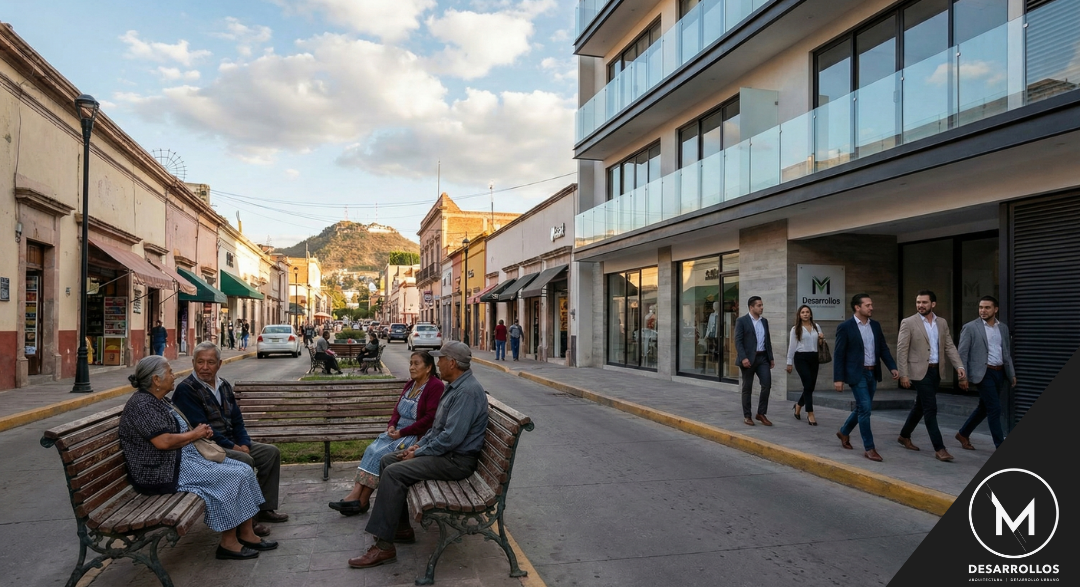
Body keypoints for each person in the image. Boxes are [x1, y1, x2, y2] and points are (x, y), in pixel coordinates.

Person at [119, 355, 276, 560]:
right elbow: (163, 442)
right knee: (231, 477)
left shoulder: (159, 400)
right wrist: (195, 434)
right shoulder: (142, 405)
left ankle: (247, 533)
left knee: (244, 470)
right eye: (169, 372)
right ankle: (228, 543)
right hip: (161, 471)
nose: (173, 375)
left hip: (180, 461)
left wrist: (198, 432)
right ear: (156, 380)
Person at [348, 341, 489, 570]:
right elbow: (437, 429)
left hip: (456, 461)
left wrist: (419, 452)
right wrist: (418, 447)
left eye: (441, 359)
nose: (438, 363)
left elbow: (450, 439)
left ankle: (384, 547)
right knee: (387, 460)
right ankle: (401, 528)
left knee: (394, 473)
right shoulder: (454, 386)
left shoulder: (466, 392)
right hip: (445, 454)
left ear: (452, 363)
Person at [173, 342, 289, 534]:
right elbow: (203, 428)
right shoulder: (186, 390)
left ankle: (265, 508)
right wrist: (235, 447)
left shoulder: (223, 385)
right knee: (245, 460)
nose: (204, 367)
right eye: (200, 362)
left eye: (210, 362)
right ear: (193, 362)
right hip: (207, 447)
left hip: (232, 442)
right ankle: (248, 521)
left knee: (270, 453)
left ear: (219, 364)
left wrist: (243, 442)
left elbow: (237, 419)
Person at [329, 351, 445, 515]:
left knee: (381, 454)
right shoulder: (411, 384)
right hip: (397, 433)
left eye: (416, 363)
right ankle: (357, 496)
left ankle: (360, 501)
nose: (411, 367)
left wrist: (402, 432)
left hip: (415, 436)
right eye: (411, 363)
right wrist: (391, 425)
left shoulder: (435, 386)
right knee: (371, 450)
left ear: (428, 368)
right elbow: (397, 410)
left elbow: (429, 419)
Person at [896, 290, 965, 462]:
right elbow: (902, 350)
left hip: (936, 371)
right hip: (919, 372)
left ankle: (904, 435)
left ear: (933, 304)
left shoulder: (941, 322)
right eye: (918, 302)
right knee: (930, 409)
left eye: (924, 302)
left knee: (920, 406)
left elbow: (949, 346)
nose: (920, 305)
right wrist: (903, 374)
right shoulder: (908, 322)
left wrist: (959, 366)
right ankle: (940, 448)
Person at [834, 294, 899, 462]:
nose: (871, 308)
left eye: (871, 305)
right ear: (857, 307)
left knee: (863, 407)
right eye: (868, 305)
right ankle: (869, 448)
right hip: (857, 374)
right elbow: (839, 354)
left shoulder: (875, 326)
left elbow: (883, 348)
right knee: (865, 409)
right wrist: (838, 378)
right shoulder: (845, 327)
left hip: (872, 373)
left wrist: (892, 367)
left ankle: (844, 432)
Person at [956, 296, 1017, 450]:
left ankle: (963, 433)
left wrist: (1011, 374)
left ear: (995, 309)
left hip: (999, 372)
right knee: (995, 408)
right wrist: (962, 377)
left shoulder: (1002, 328)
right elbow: (962, 354)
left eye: (987, 307)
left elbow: (1006, 353)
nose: (983, 310)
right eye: (981, 307)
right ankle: (999, 444)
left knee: (984, 407)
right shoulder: (970, 327)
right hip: (983, 373)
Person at [734, 296, 774, 426]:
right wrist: (743, 357)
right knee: (747, 387)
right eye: (759, 305)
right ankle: (747, 415)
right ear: (751, 307)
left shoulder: (764, 321)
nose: (762, 308)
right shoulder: (742, 321)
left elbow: (767, 341)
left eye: (762, 305)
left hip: (763, 358)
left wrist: (771, 358)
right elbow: (738, 341)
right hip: (748, 359)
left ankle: (761, 413)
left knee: (766, 384)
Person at [786, 305, 823, 426]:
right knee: (807, 384)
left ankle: (798, 405)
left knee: (810, 387)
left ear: (811, 314)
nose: (805, 314)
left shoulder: (816, 327)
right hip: (801, 358)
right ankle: (810, 413)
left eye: (807, 312)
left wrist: (821, 339)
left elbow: (820, 344)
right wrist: (789, 363)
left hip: (814, 358)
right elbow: (792, 347)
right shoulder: (795, 329)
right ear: (799, 315)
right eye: (803, 312)